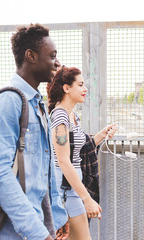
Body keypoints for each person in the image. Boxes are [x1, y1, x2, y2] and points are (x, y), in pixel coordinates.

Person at [0, 23, 67, 240]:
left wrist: (58, 216)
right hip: (17, 231)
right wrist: (38, 233)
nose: (57, 63)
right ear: (31, 56)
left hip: (39, 225)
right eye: (52, 56)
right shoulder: (7, 102)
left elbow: (43, 172)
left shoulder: (37, 104)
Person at [47, 66, 118, 240]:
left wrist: (102, 135)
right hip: (65, 192)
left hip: (72, 190)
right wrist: (86, 199)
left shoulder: (72, 116)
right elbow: (63, 161)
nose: (85, 89)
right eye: (80, 84)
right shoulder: (60, 118)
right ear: (66, 88)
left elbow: (76, 151)